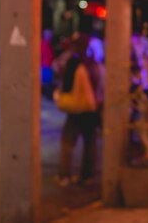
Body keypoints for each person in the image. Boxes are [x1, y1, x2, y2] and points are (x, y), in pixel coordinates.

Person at [54, 33, 100, 187]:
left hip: (75, 110)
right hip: (91, 109)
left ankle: (65, 175)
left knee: (67, 143)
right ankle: (87, 175)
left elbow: (57, 70)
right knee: (89, 143)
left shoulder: (71, 62)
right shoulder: (92, 63)